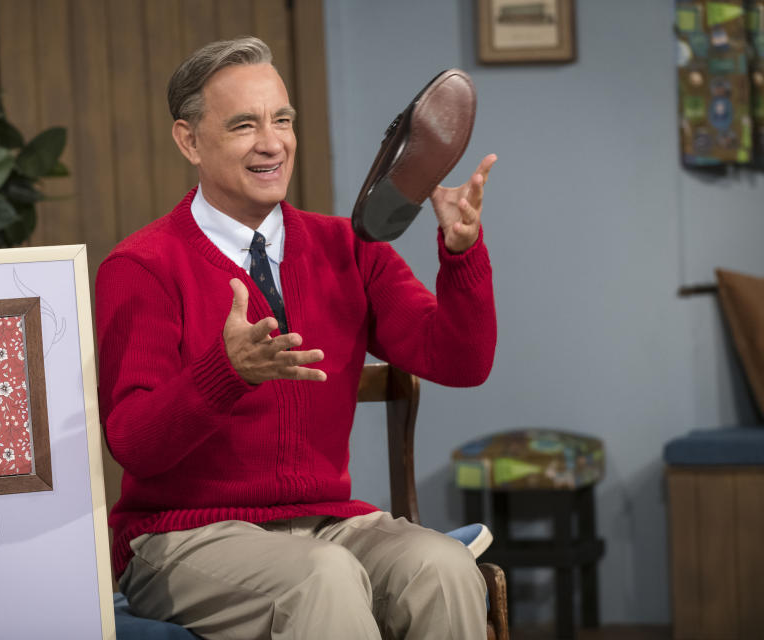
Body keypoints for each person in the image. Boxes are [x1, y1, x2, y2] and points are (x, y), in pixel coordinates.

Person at [96, 36, 498, 640]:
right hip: (179, 538)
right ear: (189, 140)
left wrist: (461, 255)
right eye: (243, 125)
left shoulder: (352, 248)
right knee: (324, 576)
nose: (272, 143)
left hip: (326, 522)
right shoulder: (142, 265)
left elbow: (460, 361)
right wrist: (225, 372)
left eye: (282, 120)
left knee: (442, 566)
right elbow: (134, 442)